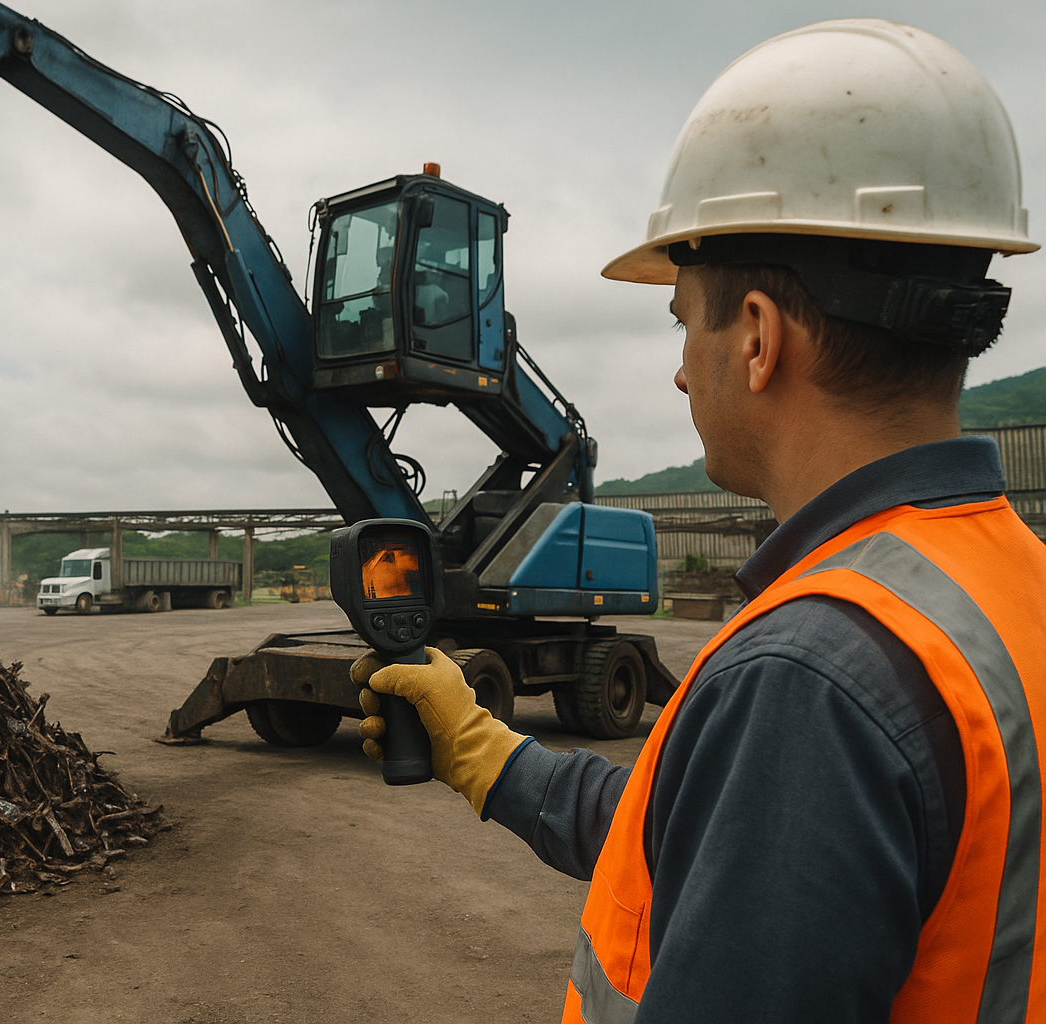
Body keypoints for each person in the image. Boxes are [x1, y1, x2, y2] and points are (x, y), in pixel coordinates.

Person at [352, 19, 1046, 1024]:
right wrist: (489, 753)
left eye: (682, 318)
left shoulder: (811, 679)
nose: (680, 368)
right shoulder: (1002, 588)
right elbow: (707, 837)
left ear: (758, 337)